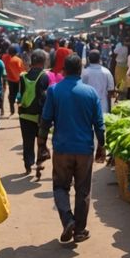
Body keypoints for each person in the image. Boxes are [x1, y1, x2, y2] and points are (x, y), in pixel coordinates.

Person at [39, 55, 106, 244]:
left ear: (64, 70)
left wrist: (42, 143)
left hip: (62, 148)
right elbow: (99, 124)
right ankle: (79, 230)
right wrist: (102, 145)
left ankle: (67, 219)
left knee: (60, 186)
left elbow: (45, 120)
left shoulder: (54, 91)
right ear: (80, 70)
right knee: (83, 190)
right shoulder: (91, 93)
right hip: (84, 149)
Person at [18, 50, 50, 175]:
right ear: (43, 62)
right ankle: (39, 163)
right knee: (41, 140)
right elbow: (44, 97)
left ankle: (28, 165)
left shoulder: (23, 76)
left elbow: (20, 95)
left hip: (25, 114)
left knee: (27, 141)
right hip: (39, 115)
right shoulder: (44, 76)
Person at [81, 50, 114, 114]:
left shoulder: (84, 73)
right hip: (103, 107)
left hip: (87, 106)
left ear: (88, 59)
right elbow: (111, 91)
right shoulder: (107, 72)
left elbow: (80, 90)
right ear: (99, 59)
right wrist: (110, 108)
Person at [3, 46, 25, 116]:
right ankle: (19, 110)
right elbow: (22, 71)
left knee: (11, 95)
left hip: (10, 80)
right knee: (19, 95)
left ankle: (12, 110)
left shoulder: (5, 58)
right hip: (18, 80)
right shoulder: (18, 60)